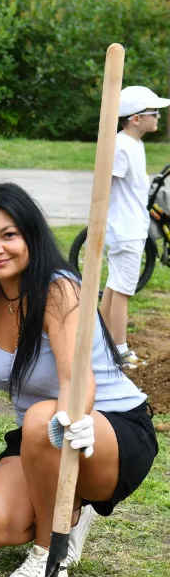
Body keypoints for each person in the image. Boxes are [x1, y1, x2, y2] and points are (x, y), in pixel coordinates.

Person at [0, 182, 158, 577]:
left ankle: (51, 552)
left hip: (107, 428)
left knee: (41, 417)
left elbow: (75, 378)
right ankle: (70, 507)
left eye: (8, 235)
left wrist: (74, 416)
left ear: (30, 235)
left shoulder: (59, 288)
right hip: (39, 438)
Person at [100, 85, 170, 368]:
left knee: (114, 286)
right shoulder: (121, 147)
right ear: (136, 118)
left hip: (127, 228)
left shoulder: (131, 144)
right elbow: (104, 183)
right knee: (123, 291)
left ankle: (103, 344)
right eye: (154, 113)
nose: (159, 118)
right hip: (125, 230)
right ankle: (119, 351)